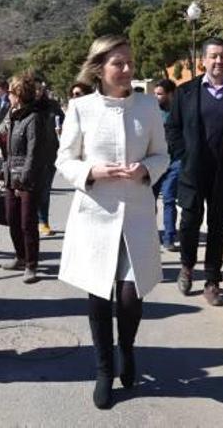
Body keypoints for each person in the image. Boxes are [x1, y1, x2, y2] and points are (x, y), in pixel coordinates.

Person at [56, 35, 169, 409]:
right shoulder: (81, 108)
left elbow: (162, 155)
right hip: (96, 215)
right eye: (118, 64)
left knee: (130, 296)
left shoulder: (149, 106)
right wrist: (92, 170)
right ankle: (104, 369)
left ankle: (128, 348)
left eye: (129, 63)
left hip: (136, 211)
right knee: (100, 296)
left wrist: (145, 169)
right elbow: (65, 159)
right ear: (99, 69)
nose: (126, 70)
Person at [166, 37, 223, 306]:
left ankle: (212, 281)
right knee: (189, 223)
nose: (219, 61)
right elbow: (173, 128)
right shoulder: (185, 92)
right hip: (192, 171)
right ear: (203, 60)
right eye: (213, 56)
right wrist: (183, 156)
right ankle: (187, 266)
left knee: (217, 227)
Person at [1, 73, 46, 283]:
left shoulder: (34, 118)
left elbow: (34, 153)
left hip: (26, 178)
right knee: (11, 219)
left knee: (27, 223)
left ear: (18, 94)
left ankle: (31, 264)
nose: (7, 96)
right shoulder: (12, 115)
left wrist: (23, 181)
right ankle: (20, 256)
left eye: (10, 92)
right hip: (10, 174)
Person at [151, 78, 180, 252]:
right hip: (154, 162)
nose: (156, 97)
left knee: (169, 199)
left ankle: (169, 238)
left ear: (170, 94)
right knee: (149, 201)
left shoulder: (179, 112)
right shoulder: (151, 112)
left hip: (174, 162)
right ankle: (149, 235)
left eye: (159, 94)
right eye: (154, 93)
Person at [36, 79, 64, 236]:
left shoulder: (52, 105)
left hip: (48, 154)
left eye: (40, 88)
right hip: (26, 157)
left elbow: (65, 121)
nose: (37, 91)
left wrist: (62, 129)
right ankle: (29, 222)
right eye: (34, 88)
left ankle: (43, 222)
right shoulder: (22, 105)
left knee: (44, 191)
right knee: (29, 193)